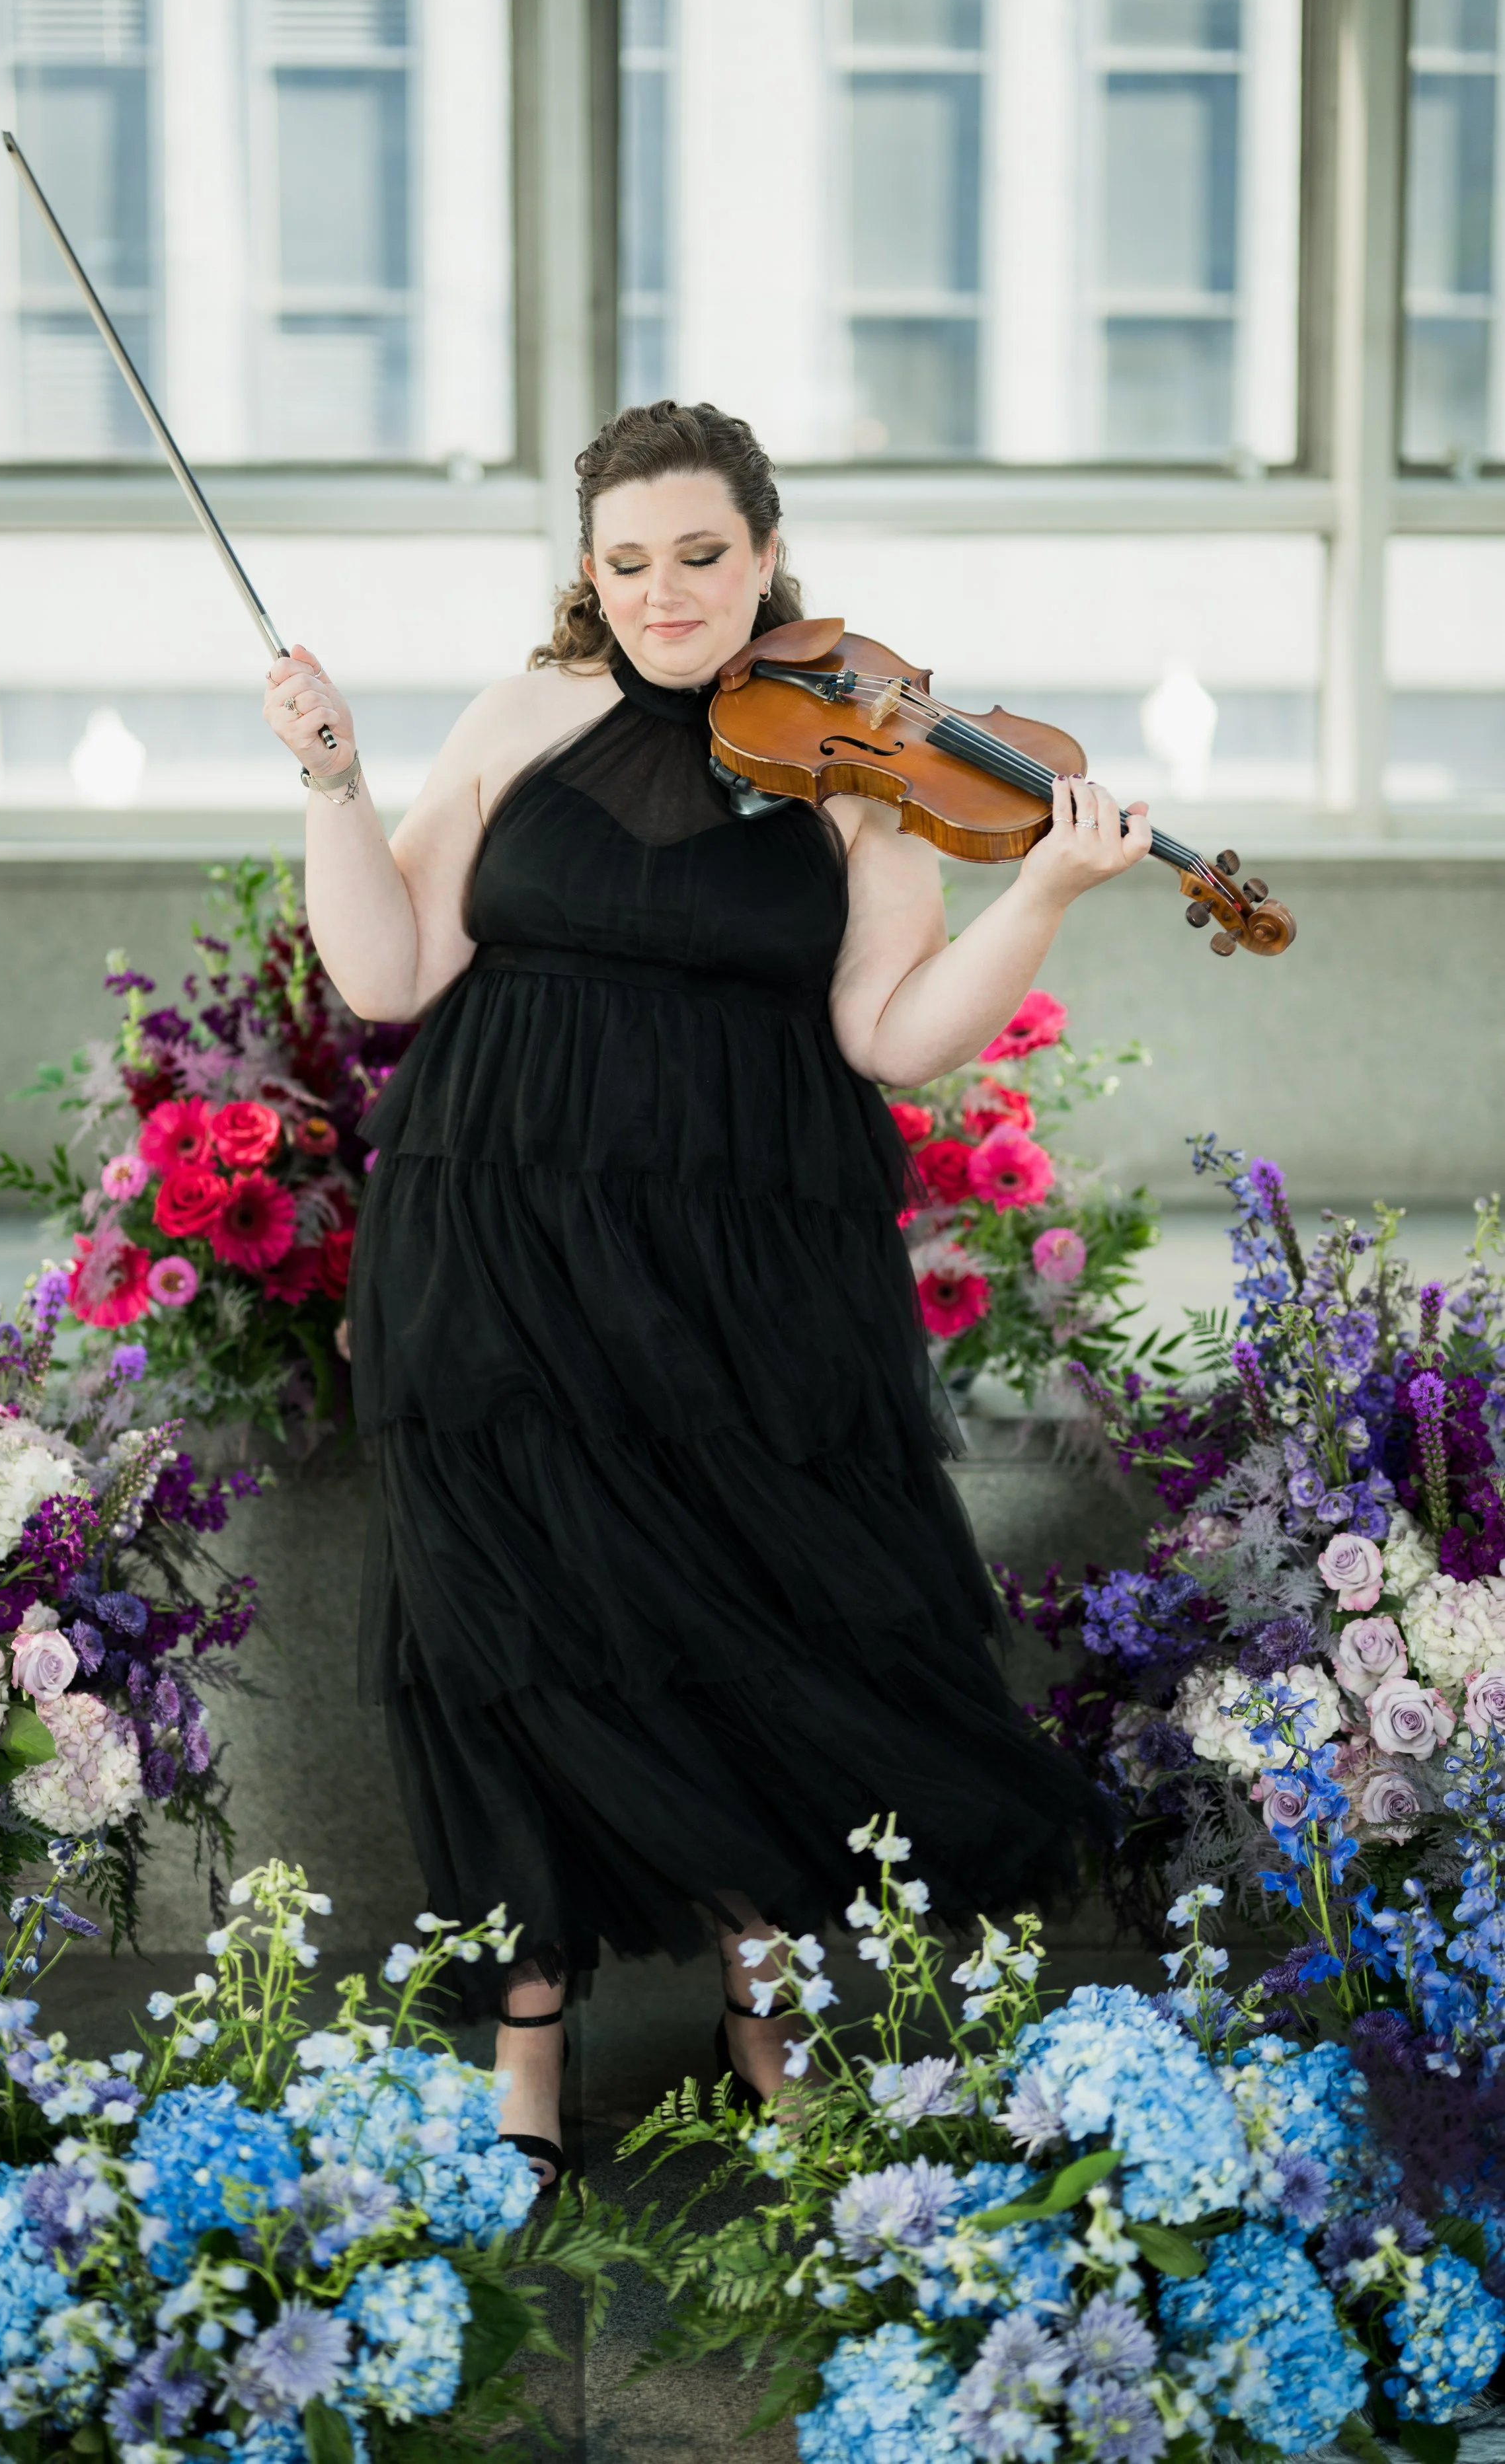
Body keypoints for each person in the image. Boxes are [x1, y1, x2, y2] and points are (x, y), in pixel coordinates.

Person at [264, 400, 1151, 2188]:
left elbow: (889, 1036)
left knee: (744, 1606)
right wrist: (335, 782)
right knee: (504, 1617)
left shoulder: (839, 762)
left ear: (762, 554)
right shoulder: (525, 716)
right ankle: (529, 2024)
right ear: (586, 574)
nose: (665, 593)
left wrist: (1046, 886)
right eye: (626, 561)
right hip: (494, 1232)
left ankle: (764, 1990)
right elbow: (386, 968)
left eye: (700, 555)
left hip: (748, 1260)